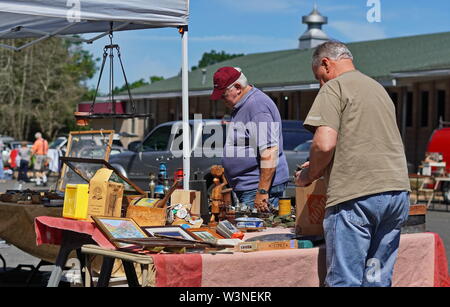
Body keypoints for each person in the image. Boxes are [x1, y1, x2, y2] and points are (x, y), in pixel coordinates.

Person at [295, 41, 411, 287]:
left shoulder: (334, 87)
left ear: (326, 63)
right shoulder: (378, 88)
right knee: (377, 279)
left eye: (319, 77)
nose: (321, 84)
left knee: (345, 280)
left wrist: (310, 175)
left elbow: (324, 144)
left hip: (356, 194)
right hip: (396, 191)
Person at [210, 66, 289, 212]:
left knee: (256, 233)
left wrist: (262, 192)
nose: (222, 100)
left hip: (257, 188)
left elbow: (269, 151)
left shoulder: (256, 106)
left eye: (223, 95)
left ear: (238, 87)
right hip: (250, 187)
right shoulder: (242, 105)